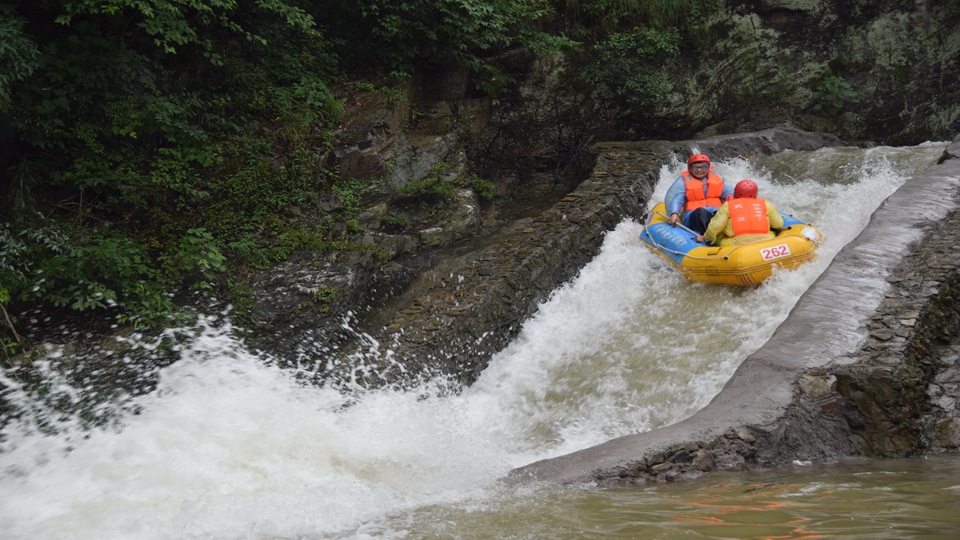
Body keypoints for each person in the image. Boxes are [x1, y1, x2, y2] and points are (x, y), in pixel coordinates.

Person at [695, 180, 784, 246]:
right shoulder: (765, 203)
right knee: (772, 231)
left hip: (736, 244)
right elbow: (778, 224)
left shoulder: (727, 205)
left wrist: (704, 237)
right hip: (766, 241)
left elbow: (715, 227)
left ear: (735, 193)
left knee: (719, 236)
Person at [664, 154, 734, 235]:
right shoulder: (683, 182)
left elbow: (730, 194)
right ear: (690, 168)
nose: (699, 170)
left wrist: (733, 202)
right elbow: (677, 199)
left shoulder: (717, 179)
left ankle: (724, 234)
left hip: (715, 211)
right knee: (701, 212)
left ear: (708, 167)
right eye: (695, 167)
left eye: (703, 167)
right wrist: (674, 213)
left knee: (723, 213)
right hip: (693, 215)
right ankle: (706, 237)